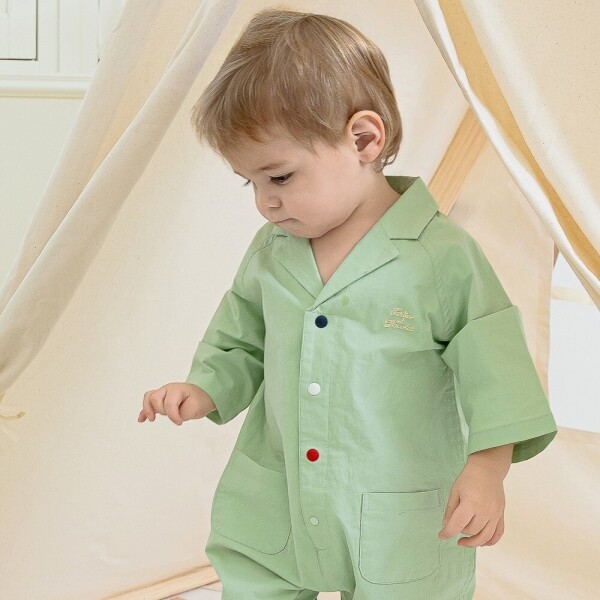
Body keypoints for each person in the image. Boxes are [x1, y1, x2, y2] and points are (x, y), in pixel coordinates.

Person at [138, 9, 558, 599]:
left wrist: (488, 467)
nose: (264, 203)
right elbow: (242, 336)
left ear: (363, 139)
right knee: (256, 575)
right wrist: (206, 386)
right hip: (280, 494)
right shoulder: (272, 252)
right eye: (250, 182)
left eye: (280, 177)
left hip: (396, 506)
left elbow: (497, 367)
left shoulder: (440, 258)